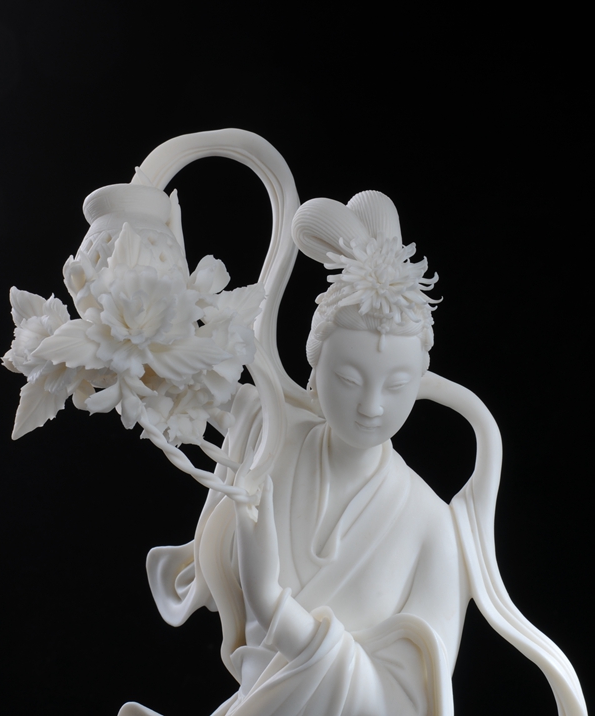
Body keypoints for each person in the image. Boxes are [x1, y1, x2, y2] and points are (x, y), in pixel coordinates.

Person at [117, 188, 586, 715]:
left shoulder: (432, 528)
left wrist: (273, 605)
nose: (371, 406)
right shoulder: (267, 436)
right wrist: (129, 270)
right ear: (314, 366)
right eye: (348, 377)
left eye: (396, 385)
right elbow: (165, 372)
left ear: (420, 381)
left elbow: (405, 702)